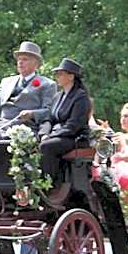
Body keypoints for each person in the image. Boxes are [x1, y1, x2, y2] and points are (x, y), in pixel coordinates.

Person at [38, 57, 91, 206]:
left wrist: (50, 136)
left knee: (46, 147)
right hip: (57, 135)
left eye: (60, 74)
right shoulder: (57, 96)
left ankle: (50, 184)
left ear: (71, 76)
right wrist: (43, 134)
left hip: (74, 138)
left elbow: (74, 125)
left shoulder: (80, 97)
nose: (57, 77)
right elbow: (49, 118)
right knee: (31, 144)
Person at [0, 41, 57, 139]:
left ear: (36, 64)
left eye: (25, 59)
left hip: (24, 131)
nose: (20, 62)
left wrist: (32, 114)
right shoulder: (6, 82)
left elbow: (49, 112)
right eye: (19, 59)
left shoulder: (47, 84)